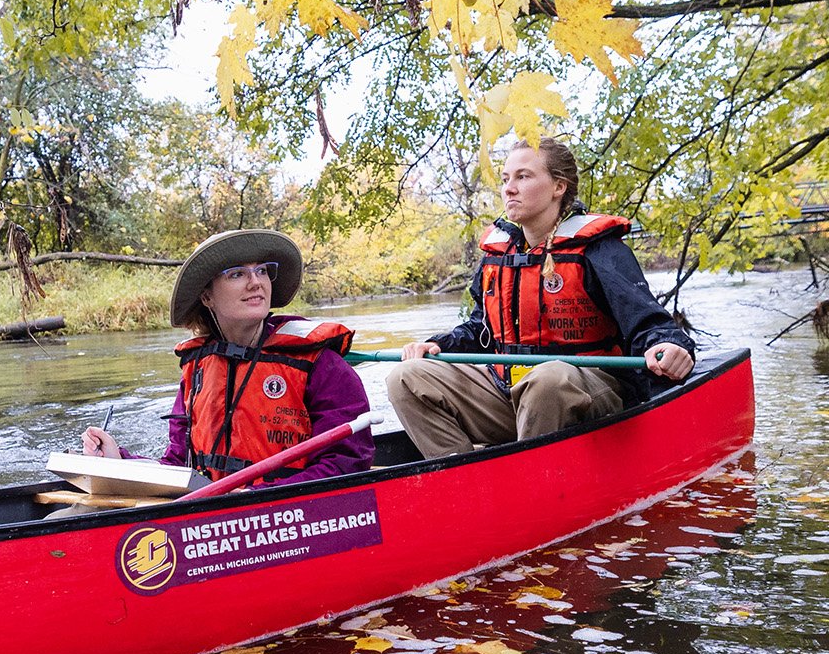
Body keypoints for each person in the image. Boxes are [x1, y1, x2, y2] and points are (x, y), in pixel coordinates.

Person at [385, 137, 694, 459]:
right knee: (406, 376)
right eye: (506, 179)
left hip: (588, 391)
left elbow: (648, 321)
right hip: (508, 389)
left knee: (548, 378)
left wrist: (668, 345)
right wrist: (439, 346)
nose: (509, 189)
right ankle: (461, 478)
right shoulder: (498, 256)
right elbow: (483, 329)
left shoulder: (599, 250)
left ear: (558, 187)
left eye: (523, 176)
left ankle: (528, 480)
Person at [80, 229, 374, 486]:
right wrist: (119, 459)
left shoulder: (320, 363)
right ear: (207, 297)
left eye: (261, 270)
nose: (255, 282)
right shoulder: (197, 369)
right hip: (217, 515)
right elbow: (180, 467)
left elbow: (347, 462)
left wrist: (256, 494)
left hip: (289, 518)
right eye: (237, 274)